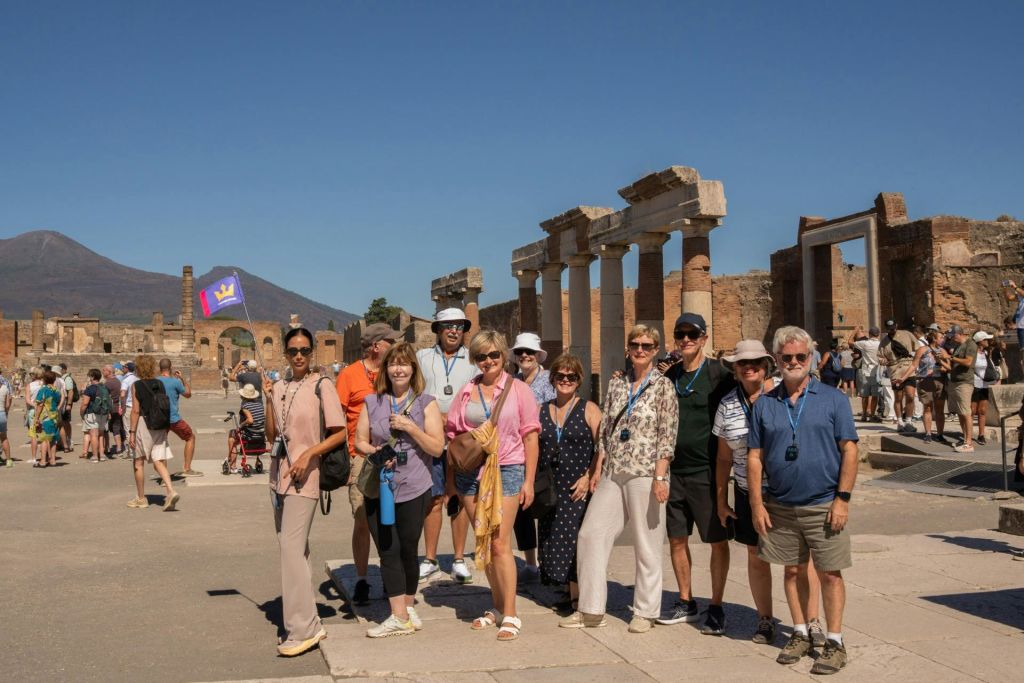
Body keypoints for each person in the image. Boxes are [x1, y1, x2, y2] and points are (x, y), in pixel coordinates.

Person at [748, 326, 859, 675]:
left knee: (830, 574)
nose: (794, 362)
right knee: (792, 570)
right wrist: (756, 504)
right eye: (787, 357)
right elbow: (754, 457)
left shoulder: (833, 399)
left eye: (800, 356)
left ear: (810, 358)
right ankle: (799, 631)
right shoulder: (765, 403)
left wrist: (842, 499)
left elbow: (850, 450)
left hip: (824, 502)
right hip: (781, 504)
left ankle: (835, 641)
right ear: (777, 360)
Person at [560, 324, 677, 633]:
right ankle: (590, 609)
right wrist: (598, 467)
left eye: (647, 346)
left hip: (646, 471)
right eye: (635, 344)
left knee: (647, 543)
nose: (640, 350)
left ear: (655, 350)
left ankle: (645, 611)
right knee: (591, 534)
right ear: (628, 348)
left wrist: (660, 476)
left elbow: (667, 433)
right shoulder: (617, 383)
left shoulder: (663, 386)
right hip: (614, 469)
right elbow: (606, 428)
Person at [446, 330, 540, 641]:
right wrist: (450, 481)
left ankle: (511, 612)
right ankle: (497, 606)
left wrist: (529, 481)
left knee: (500, 543)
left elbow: (531, 437)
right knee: (484, 542)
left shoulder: (519, 390)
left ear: (503, 355)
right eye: (481, 356)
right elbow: (453, 434)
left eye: (494, 355)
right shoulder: (467, 390)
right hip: (470, 472)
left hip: (507, 468)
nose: (488, 361)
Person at [264, 327, 346, 656]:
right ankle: (310, 620)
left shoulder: (322, 386)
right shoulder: (279, 386)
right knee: (296, 550)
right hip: (278, 477)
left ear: (312, 353)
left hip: (305, 476)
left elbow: (339, 432)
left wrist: (309, 454)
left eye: (304, 350)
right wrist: (268, 399)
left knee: (290, 548)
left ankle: (301, 630)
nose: (298, 356)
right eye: (293, 351)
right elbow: (272, 434)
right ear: (285, 354)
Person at [354, 342, 445, 637]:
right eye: (393, 363)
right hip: (381, 486)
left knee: (408, 549)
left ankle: (406, 606)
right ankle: (399, 616)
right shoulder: (373, 401)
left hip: (414, 486)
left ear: (413, 369)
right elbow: (359, 441)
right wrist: (376, 451)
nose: (398, 369)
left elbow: (437, 447)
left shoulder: (426, 403)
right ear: (386, 369)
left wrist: (411, 427)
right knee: (388, 549)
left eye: (404, 363)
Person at [657, 313, 736, 635]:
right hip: (673, 471)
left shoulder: (720, 374)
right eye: (681, 334)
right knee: (677, 539)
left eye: (693, 334)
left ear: (704, 338)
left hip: (706, 471)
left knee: (717, 540)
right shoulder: (670, 374)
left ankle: (716, 606)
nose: (686, 339)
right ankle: (686, 600)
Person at [713, 340, 779, 643]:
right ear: (735, 369)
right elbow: (723, 458)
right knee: (756, 554)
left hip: (784, 490)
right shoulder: (727, 404)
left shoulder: (783, 395)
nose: (749, 367)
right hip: (745, 490)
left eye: (755, 362)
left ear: (766, 366)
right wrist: (721, 500)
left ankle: (809, 624)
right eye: (742, 363)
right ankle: (765, 618)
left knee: (798, 560)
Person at [336, 322, 400, 605]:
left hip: (393, 457)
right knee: (362, 519)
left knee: (390, 520)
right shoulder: (349, 375)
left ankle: (389, 576)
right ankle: (362, 578)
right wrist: (342, 460)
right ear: (376, 346)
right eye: (390, 342)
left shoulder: (395, 373)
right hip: (360, 457)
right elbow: (336, 418)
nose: (394, 346)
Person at [415, 308, 478, 585]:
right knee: (433, 499)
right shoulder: (422, 357)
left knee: (459, 498)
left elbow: (479, 396)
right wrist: (433, 416)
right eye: (448, 326)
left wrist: (453, 417)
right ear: (438, 330)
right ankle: (430, 559)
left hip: (462, 439)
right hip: (431, 438)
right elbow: (415, 392)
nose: (454, 331)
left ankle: (459, 559)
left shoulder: (473, 359)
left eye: (459, 326)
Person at [536, 353, 600, 610]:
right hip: (551, 487)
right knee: (554, 538)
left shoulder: (589, 409)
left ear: (578, 380)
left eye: (571, 377)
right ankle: (565, 589)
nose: (565, 380)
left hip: (577, 486)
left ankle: (577, 598)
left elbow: (602, 448)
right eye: (560, 376)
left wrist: (588, 476)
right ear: (552, 379)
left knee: (575, 539)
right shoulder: (542, 409)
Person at [511, 331, 555, 583]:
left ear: (538, 355)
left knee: (547, 502)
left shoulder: (549, 380)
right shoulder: (512, 381)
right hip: (518, 450)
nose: (525, 356)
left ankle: (550, 561)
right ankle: (530, 562)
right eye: (520, 352)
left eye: (529, 352)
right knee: (522, 507)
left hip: (545, 448)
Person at [126, 355, 180, 511]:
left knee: (138, 462)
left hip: (144, 424)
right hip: (159, 424)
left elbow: (135, 411)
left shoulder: (136, 385)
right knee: (158, 460)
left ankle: (141, 498)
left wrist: (131, 432)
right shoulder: (159, 383)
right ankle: (170, 491)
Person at [157, 358, 201, 476]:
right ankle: (187, 468)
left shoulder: (155, 381)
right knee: (190, 437)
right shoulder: (175, 382)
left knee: (162, 445)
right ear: (170, 368)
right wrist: (182, 379)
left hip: (159, 419)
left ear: (160, 368)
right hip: (173, 419)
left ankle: (164, 476)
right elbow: (188, 394)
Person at [879, 319, 921, 433]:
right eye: (889, 329)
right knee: (898, 398)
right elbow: (880, 357)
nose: (892, 330)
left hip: (909, 368)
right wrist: (883, 361)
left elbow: (918, 348)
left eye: (893, 328)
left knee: (910, 396)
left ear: (896, 326)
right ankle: (899, 422)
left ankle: (909, 421)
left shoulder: (907, 334)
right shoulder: (884, 342)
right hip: (895, 371)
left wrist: (916, 360)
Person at [913, 331, 951, 444]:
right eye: (941, 337)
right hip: (926, 381)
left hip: (939, 381)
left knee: (940, 409)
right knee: (927, 408)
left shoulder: (943, 351)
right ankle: (928, 434)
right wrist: (906, 377)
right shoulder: (922, 350)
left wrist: (942, 365)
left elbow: (949, 367)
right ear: (934, 339)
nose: (943, 339)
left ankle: (940, 434)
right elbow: (914, 364)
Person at [946, 325, 978, 453]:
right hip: (955, 381)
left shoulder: (970, 344)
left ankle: (969, 443)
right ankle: (965, 439)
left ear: (958, 334)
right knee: (960, 413)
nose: (951, 339)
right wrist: (942, 359)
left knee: (966, 413)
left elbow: (968, 362)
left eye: (952, 336)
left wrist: (951, 357)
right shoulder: (958, 346)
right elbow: (952, 366)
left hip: (964, 382)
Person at [226, 383, 266, 473]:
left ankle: (233, 466)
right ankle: (257, 459)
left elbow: (250, 420)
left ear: (243, 396)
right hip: (260, 435)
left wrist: (241, 425)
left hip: (249, 436)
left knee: (232, 438)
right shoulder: (260, 405)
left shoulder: (245, 406)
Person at [849, 326, 881, 422]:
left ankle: (864, 414)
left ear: (870, 334)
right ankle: (872, 415)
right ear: (878, 335)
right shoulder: (880, 344)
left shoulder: (864, 343)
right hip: (876, 372)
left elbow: (849, 342)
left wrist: (854, 331)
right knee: (874, 396)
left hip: (865, 371)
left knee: (865, 396)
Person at [31, 370, 63, 467]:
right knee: (53, 439)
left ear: (44, 379)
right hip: (54, 416)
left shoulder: (43, 390)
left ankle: (43, 461)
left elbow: (40, 405)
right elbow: (60, 401)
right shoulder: (56, 390)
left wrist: (36, 418)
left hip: (45, 417)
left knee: (44, 439)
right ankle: (53, 460)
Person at [80, 369, 111, 462]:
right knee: (101, 435)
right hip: (103, 413)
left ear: (92, 377)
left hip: (92, 413)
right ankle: (102, 455)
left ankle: (94, 456)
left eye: (89, 376)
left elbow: (85, 403)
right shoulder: (104, 388)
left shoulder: (90, 389)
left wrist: (82, 413)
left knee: (93, 435)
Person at [972, 331, 996, 446]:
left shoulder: (986, 352)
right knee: (972, 411)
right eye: (986, 339)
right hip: (974, 384)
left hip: (984, 385)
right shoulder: (973, 353)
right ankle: (968, 434)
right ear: (980, 341)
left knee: (982, 411)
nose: (988, 341)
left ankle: (981, 435)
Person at [102, 365, 125, 457]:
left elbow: (105, 398)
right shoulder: (118, 381)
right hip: (118, 408)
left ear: (109, 372)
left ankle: (110, 448)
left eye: (104, 370)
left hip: (111, 409)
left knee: (108, 429)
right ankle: (119, 447)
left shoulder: (107, 383)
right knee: (117, 427)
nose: (103, 372)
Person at [25, 367, 43, 466]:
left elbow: (28, 400)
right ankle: (45, 456)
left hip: (33, 411)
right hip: (44, 411)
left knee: (33, 435)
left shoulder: (30, 386)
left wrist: (34, 405)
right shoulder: (44, 385)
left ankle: (34, 457)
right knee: (44, 434)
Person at [120, 362, 139, 455]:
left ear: (127, 369)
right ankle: (136, 449)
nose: (122, 368)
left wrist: (122, 406)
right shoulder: (137, 379)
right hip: (137, 406)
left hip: (128, 406)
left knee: (128, 429)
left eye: (124, 367)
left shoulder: (126, 380)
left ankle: (131, 451)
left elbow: (122, 394)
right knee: (136, 428)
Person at [58, 363, 76, 453]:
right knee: (61, 422)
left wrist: (69, 404)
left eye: (60, 369)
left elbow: (70, 392)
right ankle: (62, 441)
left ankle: (69, 440)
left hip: (66, 403)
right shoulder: (61, 378)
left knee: (66, 422)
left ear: (64, 369)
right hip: (62, 403)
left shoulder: (67, 378)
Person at [0, 368, 12, 467]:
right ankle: (8, 460)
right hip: (2, 414)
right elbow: (7, 404)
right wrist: (5, 411)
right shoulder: (5, 388)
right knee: (4, 437)